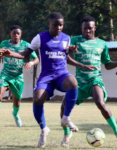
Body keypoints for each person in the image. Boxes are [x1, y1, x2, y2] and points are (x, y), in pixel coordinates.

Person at [0, 12, 96, 148]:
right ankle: (44, 129)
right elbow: (24, 55)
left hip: (62, 74)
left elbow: (66, 58)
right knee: (37, 98)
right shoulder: (39, 38)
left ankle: (66, 118)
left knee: (73, 82)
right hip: (46, 77)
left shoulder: (66, 38)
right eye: (55, 25)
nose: (58, 28)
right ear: (48, 24)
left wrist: (83, 65)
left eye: (61, 25)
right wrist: (11, 53)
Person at [60, 16, 117, 147]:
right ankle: (66, 134)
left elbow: (107, 64)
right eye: (84, 28)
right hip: (79, 83)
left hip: (95, 79)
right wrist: (69, 50)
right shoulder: (75, 40)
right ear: (81, 28)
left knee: (100, 102)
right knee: (64, 105)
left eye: (90, 28)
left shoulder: (102, 43)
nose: (87, 31)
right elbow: (65, 55)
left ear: (95, 28)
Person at [0, 25, 39, 127]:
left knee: (17, 102)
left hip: (18, 77)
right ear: (10, 34)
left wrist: (30, 63)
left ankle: (15, 114)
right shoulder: (4, 43)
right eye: (14, 33)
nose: (16, 35)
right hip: (5, 74)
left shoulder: (26, 45)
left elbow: (36, 59)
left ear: (21, 35)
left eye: (18, 34)